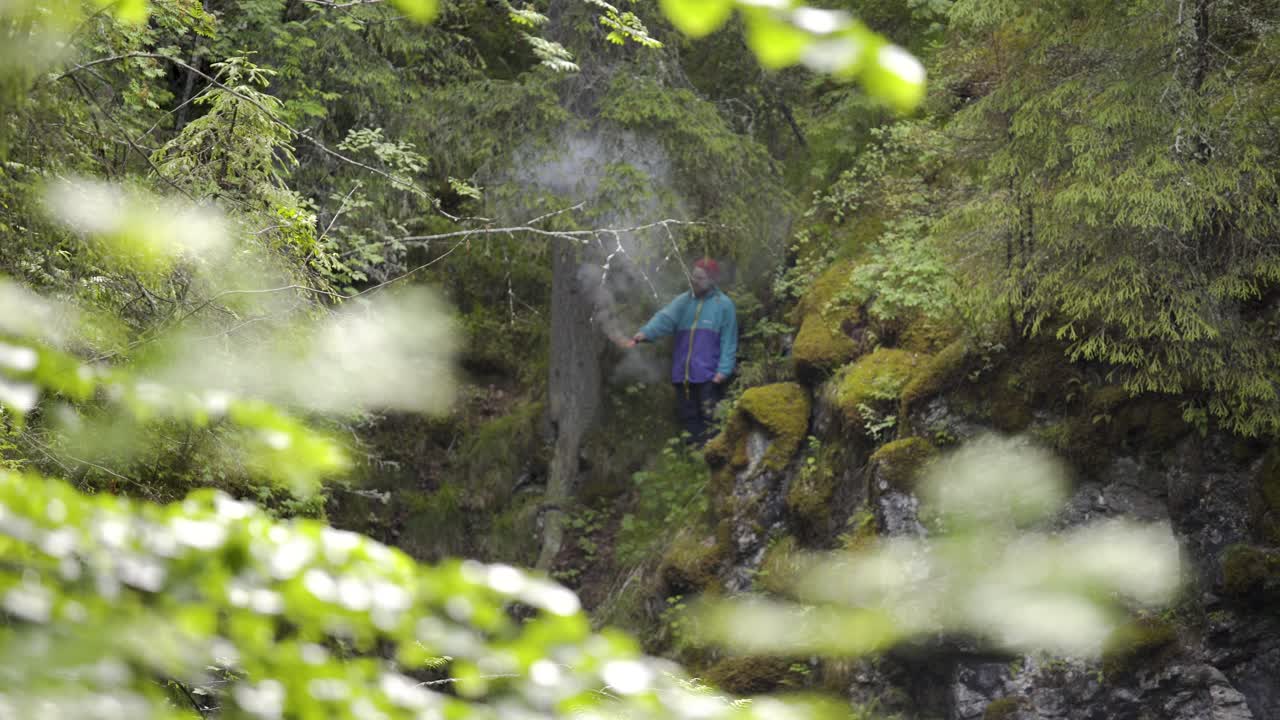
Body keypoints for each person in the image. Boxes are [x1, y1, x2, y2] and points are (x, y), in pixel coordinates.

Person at [627, 258, 738, 444]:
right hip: (683, 374)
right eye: (693, 277)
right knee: (688, 419)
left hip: (709, 376)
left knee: (711, 419)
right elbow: (664, 319)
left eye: (700, 278)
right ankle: (693, 460)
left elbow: (729, 341)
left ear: (711, 280)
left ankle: (711, 460)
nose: (694, 281)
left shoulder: (724, 305)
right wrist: (644, 333)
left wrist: (723, 371)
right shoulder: (683, 301)